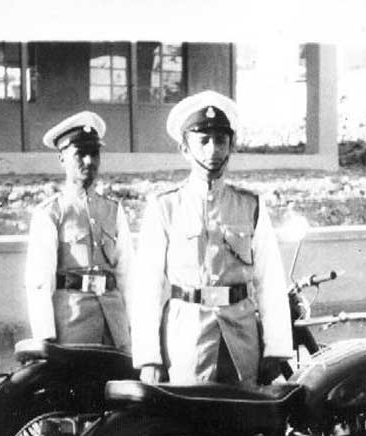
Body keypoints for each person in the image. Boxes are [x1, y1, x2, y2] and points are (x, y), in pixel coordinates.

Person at [129, 90, 292, 386]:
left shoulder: (250, 205)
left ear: (232, 146)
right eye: (203, 140)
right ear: (185, 148)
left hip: (240, 338)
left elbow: (270, 281)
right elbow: (146, 287)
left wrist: (275, 349)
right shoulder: (165, 206)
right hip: (185, 339)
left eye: (220, 140)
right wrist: (149, 358)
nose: (213, 150)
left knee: (244, 412)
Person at [25, 111, 132, 349]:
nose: (89, 161)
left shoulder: (114, 210)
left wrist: (135, 329)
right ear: (62, 158)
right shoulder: (51, 213)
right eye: (80, 154)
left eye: (94, 153)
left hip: (114, 327)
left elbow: (128, 275)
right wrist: (45, 337)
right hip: (72, 327)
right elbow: (39, 281)